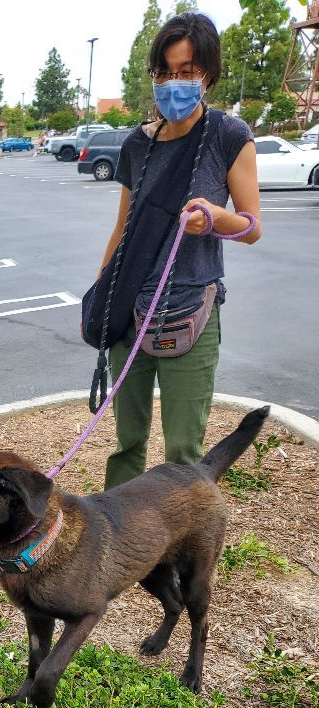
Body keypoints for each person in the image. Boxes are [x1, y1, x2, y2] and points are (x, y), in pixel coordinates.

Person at [97, 12, 261, 490]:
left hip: (191, 308)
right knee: (127, 441)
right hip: (130, 306)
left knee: (183, 452)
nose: (175, 83)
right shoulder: (137, 145)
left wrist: (214, 215)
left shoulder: (229, 136)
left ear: (207, 74)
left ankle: (176, 550)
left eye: (187, 72)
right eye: (164, 72)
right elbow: (122, 229)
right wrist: (101, 297)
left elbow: (251, 227)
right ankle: (116, 539)